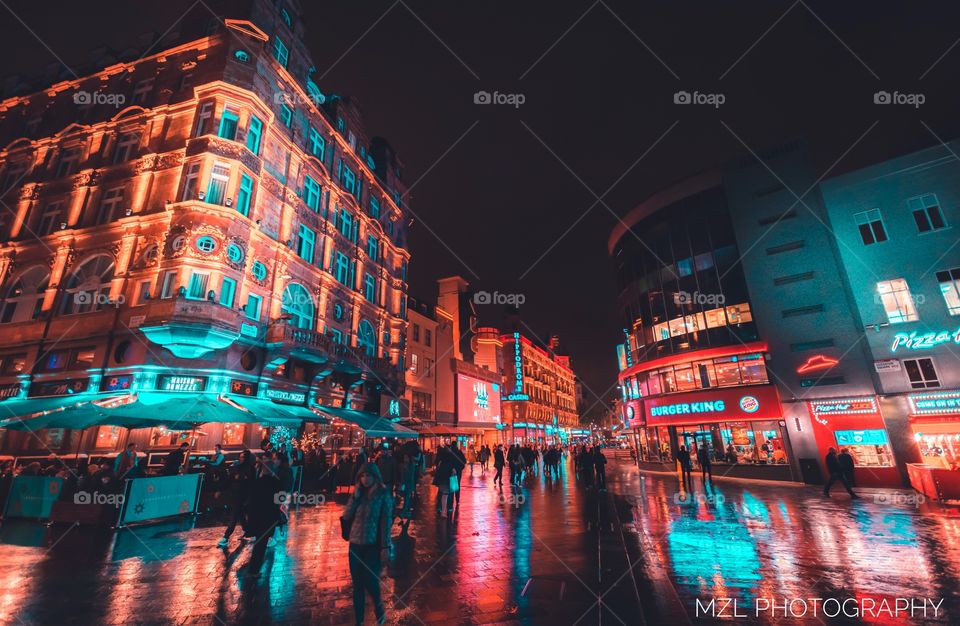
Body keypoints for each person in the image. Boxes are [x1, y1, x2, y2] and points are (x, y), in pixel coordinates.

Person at [342, 462, 393, 626]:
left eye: (368, 475)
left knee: (371, 581)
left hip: (373, 545)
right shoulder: (358, 493)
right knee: (357, 584)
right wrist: (355, 498)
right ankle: (359, 621)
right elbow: (347, 516)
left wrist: (385, 546)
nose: (365, 479)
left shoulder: (383, 494)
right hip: (355, 544)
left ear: (375, 476)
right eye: (362, 475)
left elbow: (386, 521)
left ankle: (378, 607)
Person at [245, 452, 282, 572]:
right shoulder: (276, 483)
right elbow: (278, 501)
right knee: (262, 542)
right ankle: (255, 568)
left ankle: (254, 567)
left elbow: (251, 500)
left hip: (257, 515)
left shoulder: (257, 483)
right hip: (269, 516)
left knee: (259, 541)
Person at [218, 449, 256, 546]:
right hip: (236, 495)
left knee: (234, 516)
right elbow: (229, 480)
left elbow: (251, 484)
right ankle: (249, 531)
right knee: (240, 514)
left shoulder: (250, 469)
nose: (240, 458)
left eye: (242, 457)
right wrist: (220, 490)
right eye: (240, 456)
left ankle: (226, 536)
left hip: (243, 496)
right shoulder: (237, 467)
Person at [432, 445, 457, 518]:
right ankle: (445, 510)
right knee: (446, 495)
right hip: (448, 479)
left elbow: (439, 467)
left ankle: (442, 509)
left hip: (442, 479)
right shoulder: (450, 458)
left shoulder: (442, 459)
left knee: (443, 494)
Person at [449, 441, 466, 508]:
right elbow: (464, 461)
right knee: (457, 484)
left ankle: (451, 500)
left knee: (452, 485)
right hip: (458, 471)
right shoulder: (459, 452)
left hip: (451, 471)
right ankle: (457, 499)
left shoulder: (450, 453)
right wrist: (460, 468)